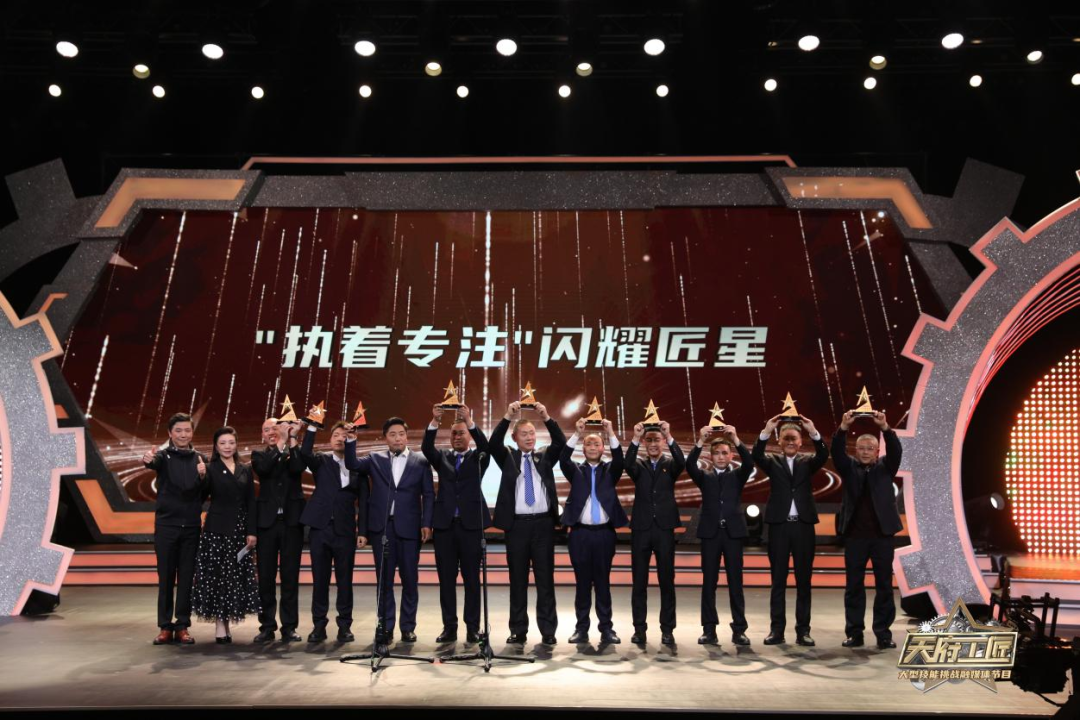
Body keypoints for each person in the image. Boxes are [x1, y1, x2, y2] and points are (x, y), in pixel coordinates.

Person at [348, 416, 434, 644]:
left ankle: (408, 627)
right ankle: (385, 627)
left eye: (401, 434)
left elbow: (428, 494)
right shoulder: (375, 459)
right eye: (393, 434)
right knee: (384, 581)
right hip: (383, 528)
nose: (398, 438)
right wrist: (351, 441)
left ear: (407, 436)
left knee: (410, 579)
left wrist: (426, 523)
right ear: (385, 438)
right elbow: (353, 464)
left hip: (410, 529)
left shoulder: (420, 461)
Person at [488, 400, 566, 646]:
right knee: (518, 581)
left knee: (545, 581)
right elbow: (493, 443)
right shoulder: (508, 457)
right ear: (515, 438)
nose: (530, 437)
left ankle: (548, 631)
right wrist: (507, 416)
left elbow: (561, 442)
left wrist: (546, 416)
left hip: (543, 526)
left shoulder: (544, 456)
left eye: (532, 433)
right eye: (524, 434)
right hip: (517, 527)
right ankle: (518, 630)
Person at [752, 413, 828, 647]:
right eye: (786, 438)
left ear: (801, 441)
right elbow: (756, 455)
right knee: (778, 581)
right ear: (779, 441)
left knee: (804, 581)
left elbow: (823, 454)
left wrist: (813, 430)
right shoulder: (772, 461)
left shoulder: (808, 462)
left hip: (803, 527)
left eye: (794, 438)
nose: (790, 442)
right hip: (779, 527)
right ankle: (777, 631)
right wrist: (766, 430)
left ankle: (803, 631)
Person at [421, 404, 491, 644]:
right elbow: (426, 448)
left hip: (471, 527)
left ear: (469, 435)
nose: (457, 437)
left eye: (462, 433)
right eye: (454, 433)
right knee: (446, 581)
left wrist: (469, 420)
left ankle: (473, 628)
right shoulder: (442, 457)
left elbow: (486, 446)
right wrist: (434, 422)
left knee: (472, 580)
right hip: (445, 528)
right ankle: (449, 628)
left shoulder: (479, 457)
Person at [833, 410, 903, 650]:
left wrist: (885, 428)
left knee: (884, 586)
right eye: (861, 448)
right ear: (856, 451)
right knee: (854, 586)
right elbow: (836, 452)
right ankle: (855, 633)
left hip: (882, 537)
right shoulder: (848, 467)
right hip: (855, 537)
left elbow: (896, 451)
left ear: (877, 451)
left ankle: (883, 634)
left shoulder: (886, 467)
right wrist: (843, 427)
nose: (865, 452)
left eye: (869, 448)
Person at [558, 417, 627, 645]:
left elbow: (620, 459)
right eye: (588, 443)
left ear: (603, 448)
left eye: (597, 443)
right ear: (583, 448)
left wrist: (610, 432)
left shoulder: (610, 471)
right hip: (580, 534)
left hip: (604, 534)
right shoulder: (576, 471)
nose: (593, 447)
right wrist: (577, 434)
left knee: (603, 582)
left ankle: (607, 629)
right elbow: (563, 458)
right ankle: (581, 629)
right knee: (582, 583)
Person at [685, 424, 754, 647]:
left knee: (736, 583)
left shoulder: (738, 476)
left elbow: (750, 463)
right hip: (711, 535)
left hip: (733, 535)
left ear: (731, 455)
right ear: (711, 456)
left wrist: (736, 438)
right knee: (709, 583)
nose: (721, 456)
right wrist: (700, 441)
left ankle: (739, 630)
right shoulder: (704, 477)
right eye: (716, 453)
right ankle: (709, 630)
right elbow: (689, 465)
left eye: (725, 452)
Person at [297, 420, 366, 642]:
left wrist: (363, 531)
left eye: (344, 435)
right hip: (321, 528)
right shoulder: (321, 461)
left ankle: (345, 626)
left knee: (345, 581)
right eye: (336, 435)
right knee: (320, 580)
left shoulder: (358, 466)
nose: (340, 439)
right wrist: (311, 427)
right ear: (330, 439)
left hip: (345, 530)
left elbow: (364, 502)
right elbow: (304, 453)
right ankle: (319, 625)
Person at [143, 412, 209, 645]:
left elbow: (205, 493)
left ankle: (182, 625)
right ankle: (164, 626)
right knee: (166, 578)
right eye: (178, 430)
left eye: (187, 430)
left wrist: (204, 477)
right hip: (166, 527)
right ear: (170, 433)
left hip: (191, 527)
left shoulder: (200, 459)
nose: (183, 434)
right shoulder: (163, 456)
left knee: (187, 578)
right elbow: (152, 462)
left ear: (192, 433)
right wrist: (148, 459)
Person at [191, 426, 260, 643]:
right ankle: (220, 625)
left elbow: (251, 502)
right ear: (216, 446)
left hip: (239, 531)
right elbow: (200, 497)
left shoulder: (245, 469)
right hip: (216, 530)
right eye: (222, 443)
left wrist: (251, 531)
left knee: (234, 579)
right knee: (218, 578)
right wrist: (201, 477)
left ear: (236, 444)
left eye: (231, 442)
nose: (227, 447)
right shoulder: (209, 468)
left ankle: (227, 622)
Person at [624, 420, 685, 647]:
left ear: (662, 442)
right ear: (643, 443)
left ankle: (667, 630)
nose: (652, 444)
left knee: (667, 581)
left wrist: (669, 435)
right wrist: (635, 437)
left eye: (656, 440)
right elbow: (626, 462)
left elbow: (682, 461)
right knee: (639, 582)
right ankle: (639, 629)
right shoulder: (638, 466)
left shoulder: (671, 464)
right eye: (648, 440)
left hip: (664, 529)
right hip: (641, 529)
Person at [250, 417, 306, 643]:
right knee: (266, 577)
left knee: (290, 576)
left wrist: (291, 439)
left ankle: (289, 626)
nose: (272, 432)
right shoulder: (258, 455)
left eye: (276, 428)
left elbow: (298, 468)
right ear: (262, 435)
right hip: (267, 524)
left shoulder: (293, 451)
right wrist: (281, 441)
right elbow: (264, 469)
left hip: (292, 523)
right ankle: (267, 626)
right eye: (267, 430)